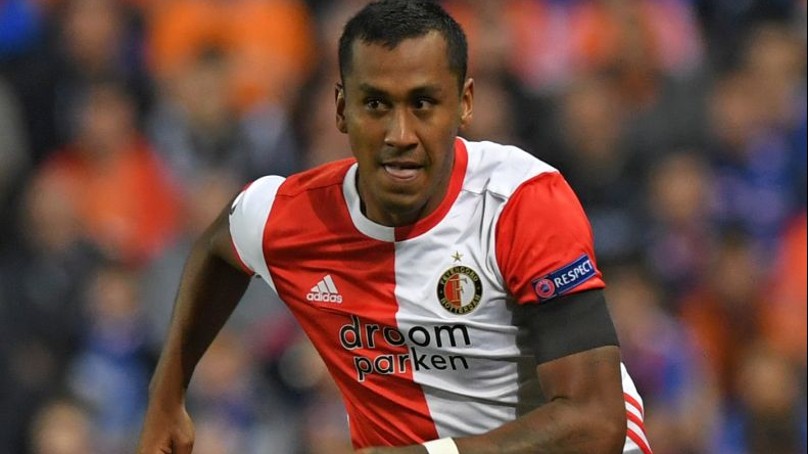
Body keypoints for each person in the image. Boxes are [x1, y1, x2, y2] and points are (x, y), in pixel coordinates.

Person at [137, 1, 652, 453]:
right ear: (342, 109)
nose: (400, 134)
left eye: (423, 103)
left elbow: (595, 425)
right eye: (376, 105)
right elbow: (218, 247)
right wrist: (167, 399)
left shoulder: (521, 203)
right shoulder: (289, 216)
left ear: (465, 104)